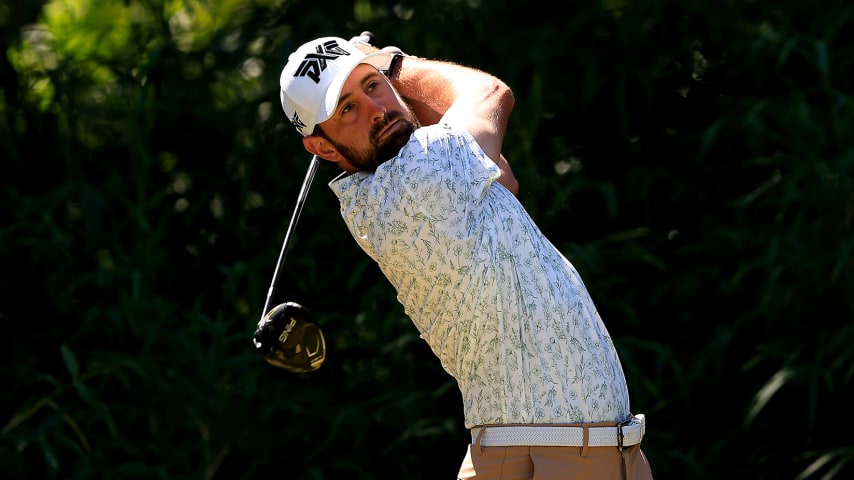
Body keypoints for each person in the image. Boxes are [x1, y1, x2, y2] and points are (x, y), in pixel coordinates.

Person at [278, 34, 654, 480]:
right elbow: (492, 94)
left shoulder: (378, 198)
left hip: (524, 454)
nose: (376, 110)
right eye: (346, 109)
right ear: (322, 147)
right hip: (561, 456)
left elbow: (503, 179)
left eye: (372, 86)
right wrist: (396, 66)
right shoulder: (424, 174)